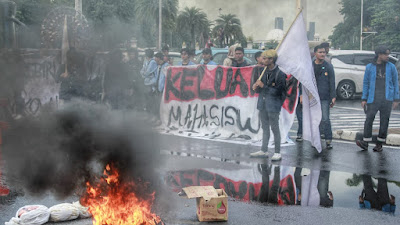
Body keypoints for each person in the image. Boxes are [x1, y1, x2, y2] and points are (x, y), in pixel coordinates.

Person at [356, 46, 399, 152]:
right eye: (385, 54)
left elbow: (395, 83)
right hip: (373, 98)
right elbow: (366, 83)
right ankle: (365, 142)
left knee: (384, 121)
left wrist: (396, 99)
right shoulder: (370, 67)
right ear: (379, 55)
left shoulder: (391, 67)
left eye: (388, 54)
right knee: (369, 119)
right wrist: (364, 98)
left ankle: (379, 144)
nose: (387, 56)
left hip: (387, 98)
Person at [250, 49, 287, 161]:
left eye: (266, 58)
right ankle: (264, 150)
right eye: (263, 58)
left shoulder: (280, 74)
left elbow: (278, 92)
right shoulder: (263, 72)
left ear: (272, 59)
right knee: (265, 127)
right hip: (263, 104)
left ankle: (277, 152)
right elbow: (261, 90)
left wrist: (263, 86)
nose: (263, 60)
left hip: (273, 105)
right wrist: (256, 88)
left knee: (275, 128)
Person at [313, 45, 336, 149]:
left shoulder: (328, 66)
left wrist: (333, 96)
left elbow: (332, 82)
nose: (322, 54)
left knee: (325, 119)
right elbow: (303, 81)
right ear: (315, 53)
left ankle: (328, 140)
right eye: (320, 52)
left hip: (324, 97)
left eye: (324, 52)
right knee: (314, 119)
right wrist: (301, 95)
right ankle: (315, 140)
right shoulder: (310, 66)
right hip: (312, 97)